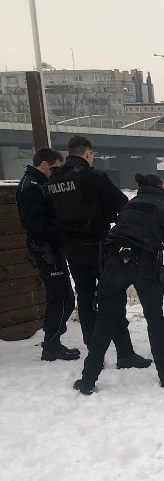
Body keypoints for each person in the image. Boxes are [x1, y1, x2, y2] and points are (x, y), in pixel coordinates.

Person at [73, 173, 164, 394]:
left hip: (113, 262)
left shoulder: (129, 207)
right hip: (145, 267)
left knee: (104, 322)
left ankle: (88, 380)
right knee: (155, 321)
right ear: (161, 186)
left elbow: (135, 239)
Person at [46, 135, 150, 368]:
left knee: (84, 296)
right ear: (88, 154)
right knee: (111, 297)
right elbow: (121, 203)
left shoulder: (53, 180)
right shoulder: (94, 177)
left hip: (70, 248)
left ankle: (95, 352)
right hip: (97, 245)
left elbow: (51, 213)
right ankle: (124, 352)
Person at [15, 148, 79, 361]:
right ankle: (51, 346)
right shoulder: (31, 187)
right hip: (46, 249)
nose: (56, 173)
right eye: (55, 168)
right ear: (44, 164)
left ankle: (53, 343)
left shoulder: (37, 184)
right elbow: (33, 223)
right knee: (61, 298)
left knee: (64, 297)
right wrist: (62, 225)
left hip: (50, 247)